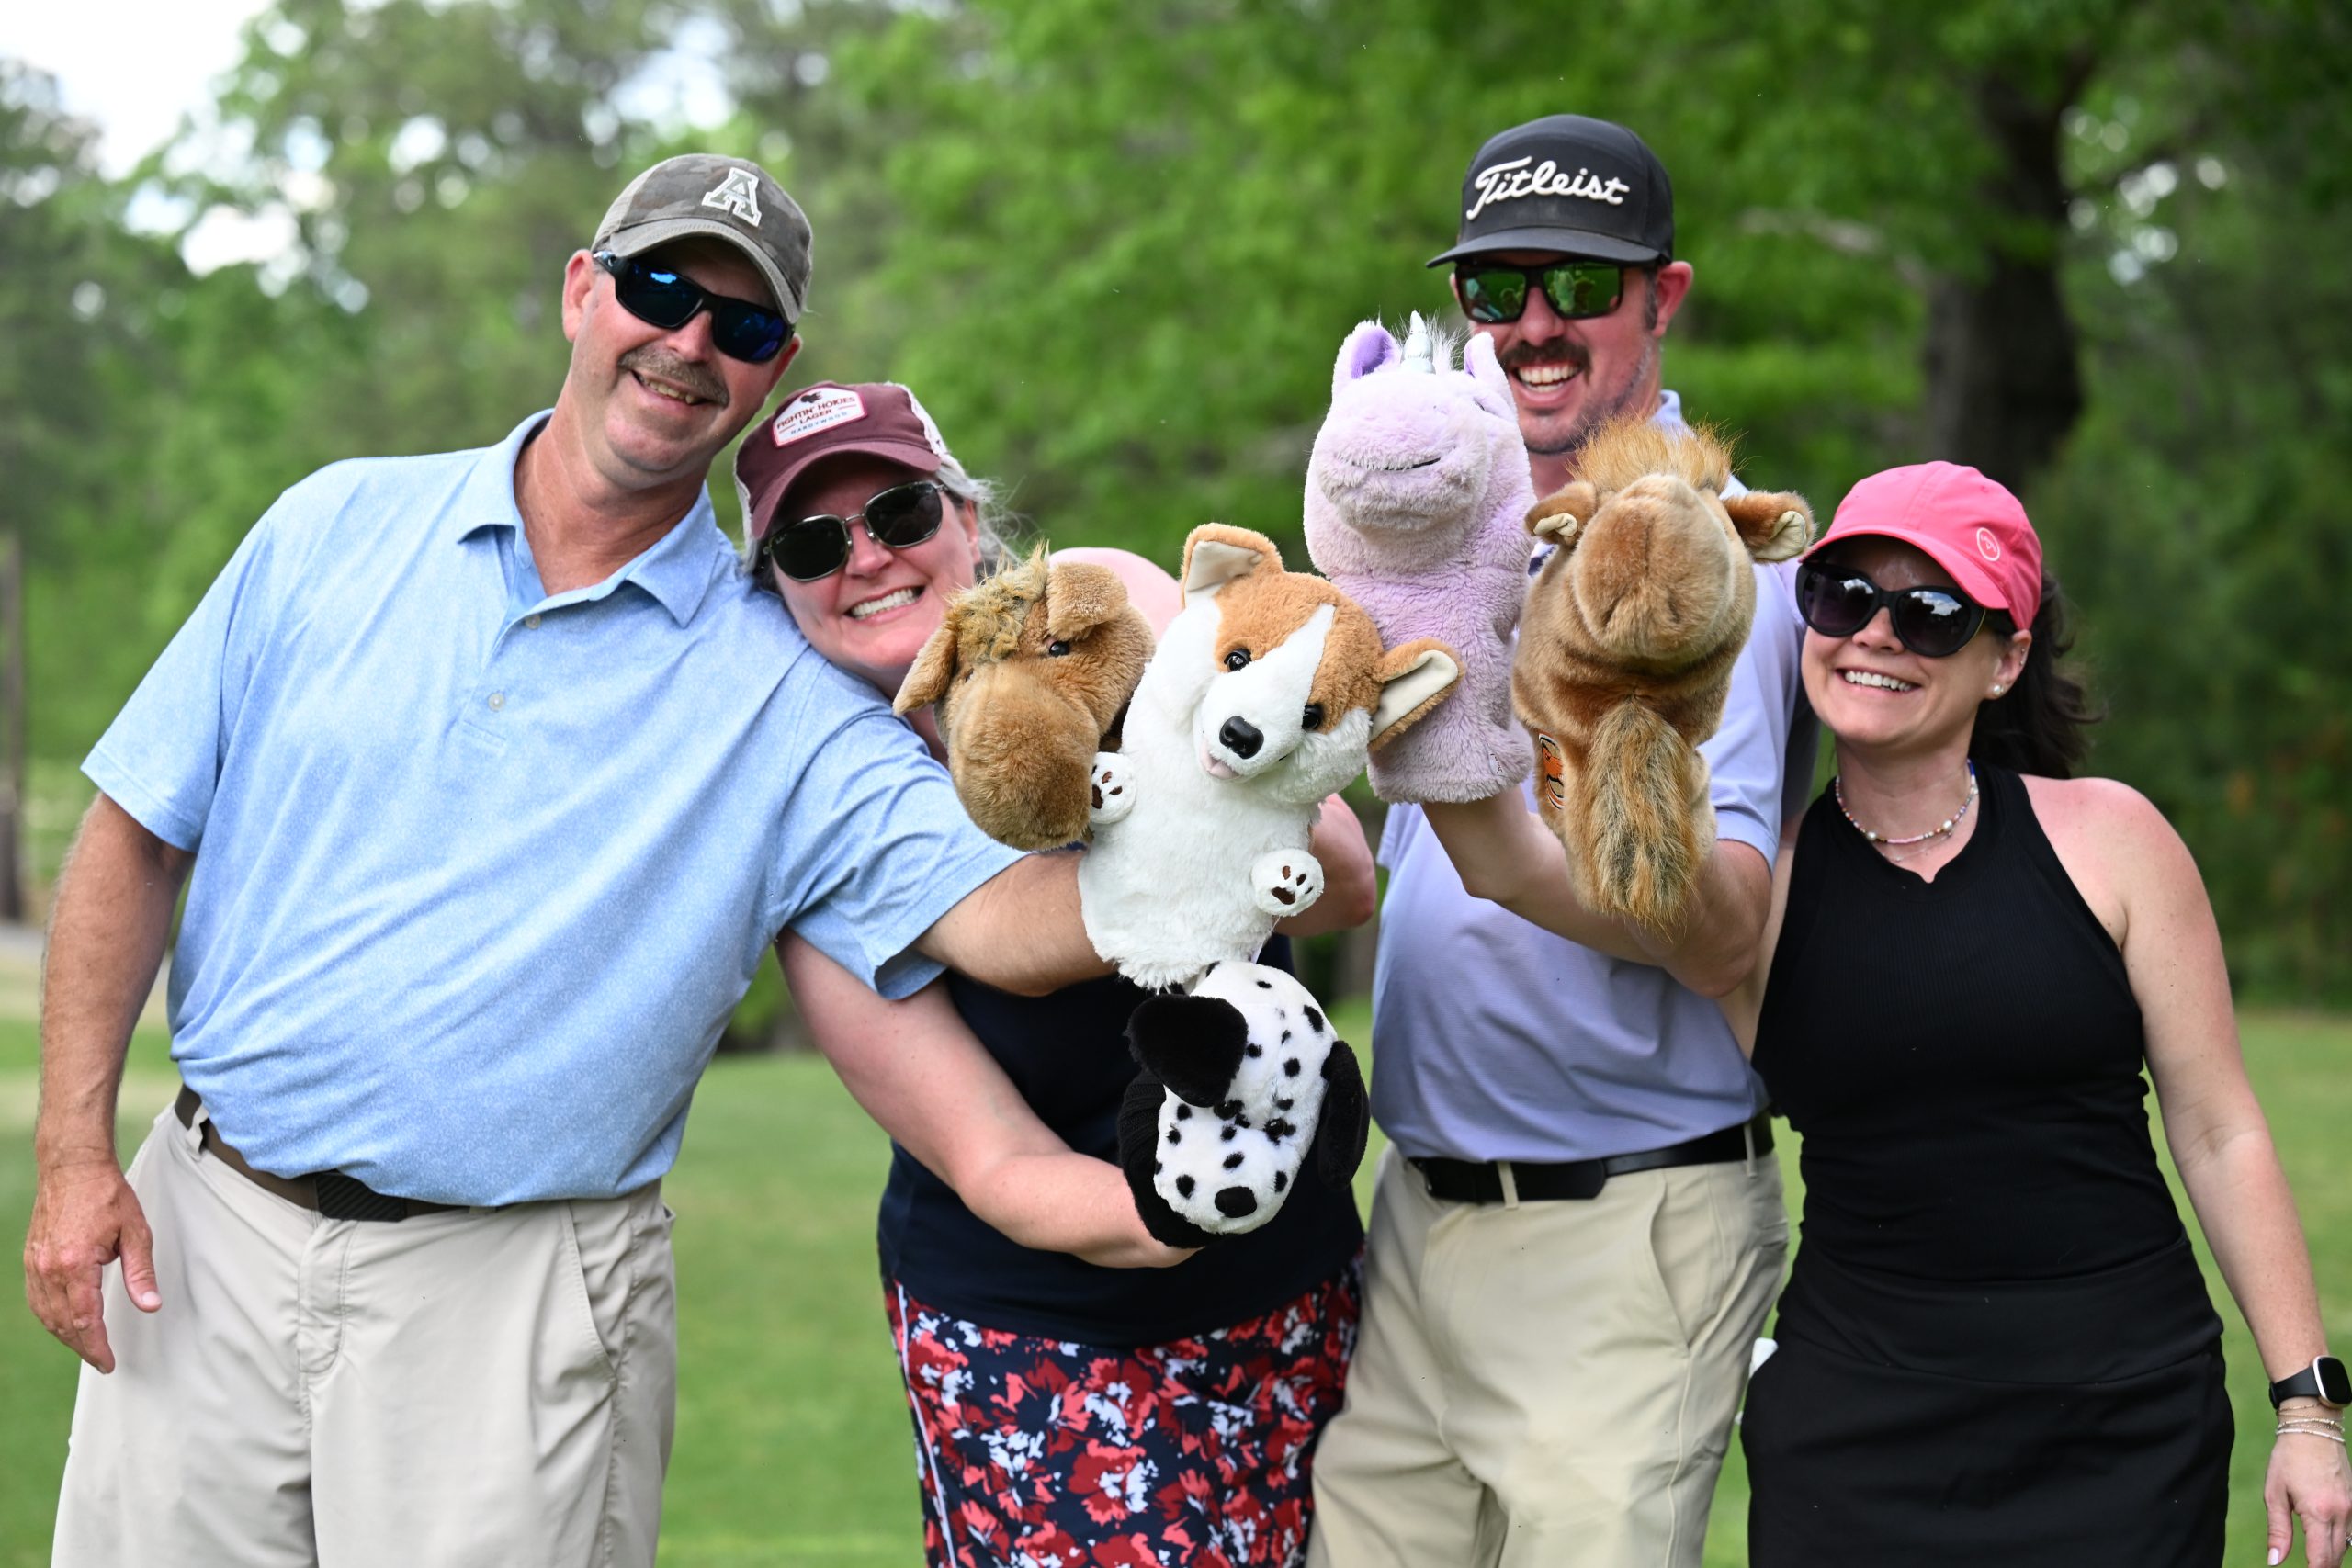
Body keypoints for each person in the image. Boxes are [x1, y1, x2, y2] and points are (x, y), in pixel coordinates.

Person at [23, 156, 1114, 1568]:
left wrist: (1255, 809)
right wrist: (70, 1157)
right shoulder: (329, 524)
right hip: (206, 1234)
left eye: (743, 327)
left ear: (769, 372)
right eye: (660, 288)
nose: (689, 343)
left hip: (517, 1298)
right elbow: (134, 826)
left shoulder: (785, 685)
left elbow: (1008, 923)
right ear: (581, 292)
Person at [732, 380, 1375, 1568]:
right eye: (813, 541)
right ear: (775, 586)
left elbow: (1341, 879)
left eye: (901, 508)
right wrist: (1198, 1198)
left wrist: (1157, 695)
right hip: (1043, 1340)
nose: (867, 553)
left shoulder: (1115, 615)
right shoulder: (816, 809)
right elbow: (1001, 1164)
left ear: (968, 520)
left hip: (1299, 1288)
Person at [1306, 114, 1806, 1568]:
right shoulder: (1432, 514)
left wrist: (1503, 844)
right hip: (1414, 1218)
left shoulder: (1701, 560)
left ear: (1666, 295)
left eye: (1582, 287)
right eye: (1495, 286)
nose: (1534, 324)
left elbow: (1727, 929)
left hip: (1626, 1230)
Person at [1725, 462, 2352, 1567]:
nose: (1874, 634)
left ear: (2004, 659)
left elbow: (2219, 1129)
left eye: (1928, 614)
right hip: (1854, 1440)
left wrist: (2304, 1409)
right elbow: (1537, 869)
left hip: (2121, 1426)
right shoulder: (1747, 898)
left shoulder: (2112, 841)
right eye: (1841, 596)